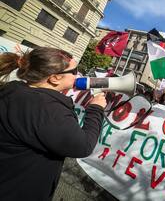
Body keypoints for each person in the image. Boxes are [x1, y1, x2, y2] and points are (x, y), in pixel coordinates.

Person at [0, 47, 107, 200]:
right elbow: (83, 146)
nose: (78, 75)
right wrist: (96, 109)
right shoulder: (48, 109)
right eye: (74, 71)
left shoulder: (14, 90)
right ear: (54, 78)